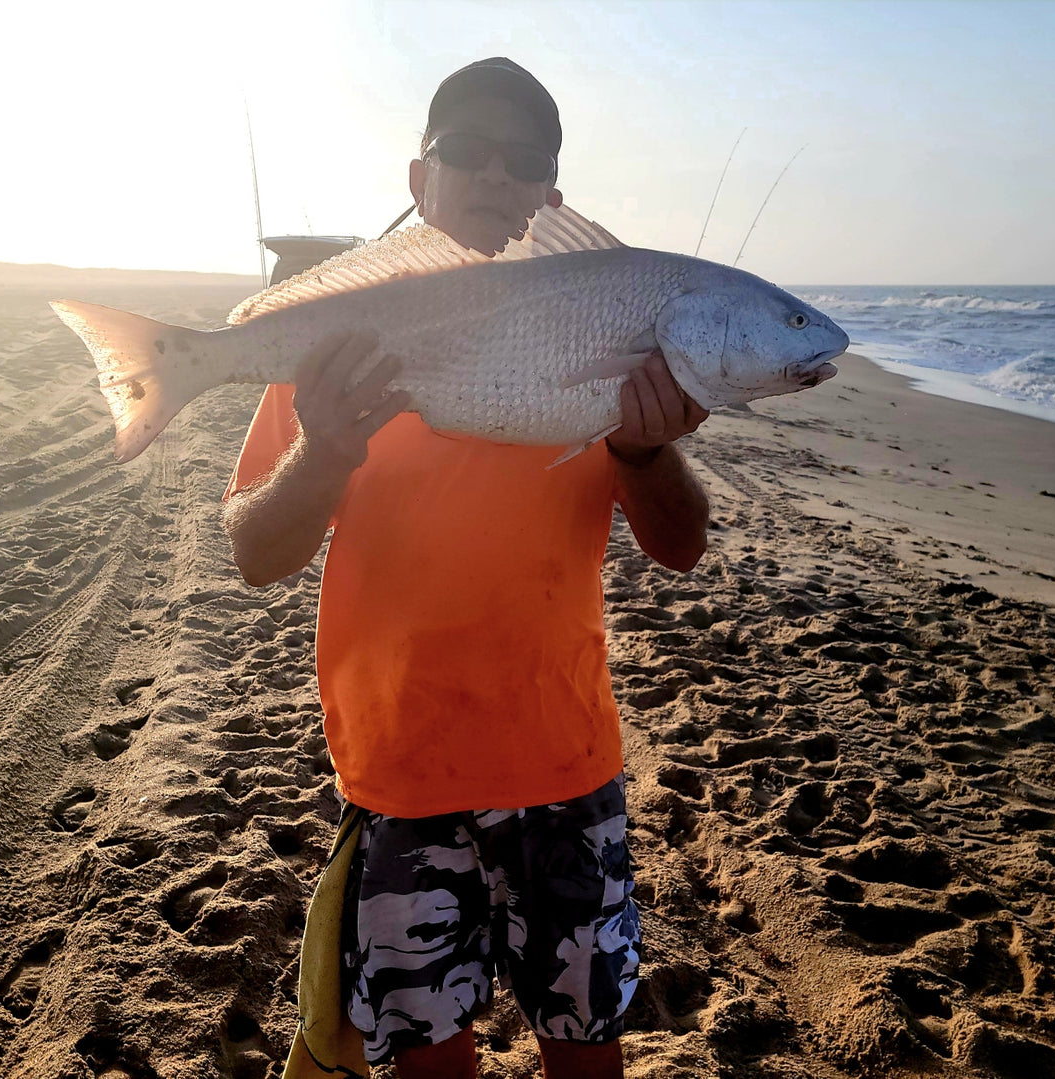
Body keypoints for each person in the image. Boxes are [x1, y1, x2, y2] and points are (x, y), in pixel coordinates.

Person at [222, 58, 711, 1079]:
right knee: (425, 1054)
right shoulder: (347, 345)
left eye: (524, 160)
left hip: (564, 764)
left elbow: (679, 545)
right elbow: (255, 553)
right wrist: (324, 449)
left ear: (551, 197)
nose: (495, 175)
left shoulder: (606, 335)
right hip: (401, 770)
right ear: (418, 175)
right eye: (467, 153)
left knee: (585, 1043)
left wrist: (643, 448)